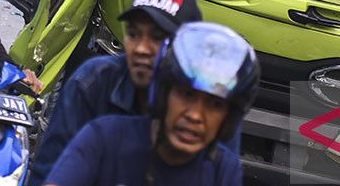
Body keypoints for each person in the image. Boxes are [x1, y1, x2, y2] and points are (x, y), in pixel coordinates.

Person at [27, 0, 204, 186]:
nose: (141, 49)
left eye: (157, 38)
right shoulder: (91, 82)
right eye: (134, 34)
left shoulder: (209, 106)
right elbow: (50, 172)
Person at [43, 22, 256, 186]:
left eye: (214, 105)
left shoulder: (223, 169)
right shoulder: (104, 137)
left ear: (228, 119)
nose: (195, 115)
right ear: (163, 96)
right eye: (186, 95)